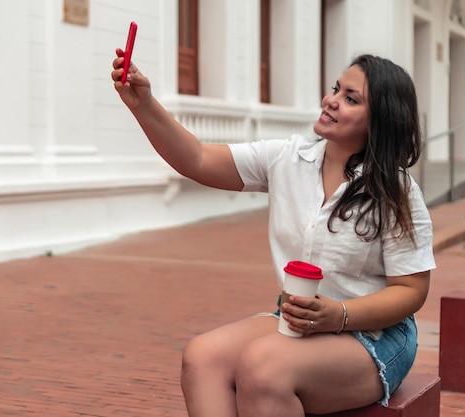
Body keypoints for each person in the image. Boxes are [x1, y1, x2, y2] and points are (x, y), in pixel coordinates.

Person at [111, 50, 435, 416]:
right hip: (298, 321)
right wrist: (144, 105)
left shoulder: (396, 191)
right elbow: (197, 158)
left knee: (264, 368)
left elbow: (411, 290)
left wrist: (339, 314)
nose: (330, 101)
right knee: (203, 357)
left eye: (350, 98)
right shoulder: (288, 159)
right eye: (335, 89)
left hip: (375, 336)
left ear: (379, 121)